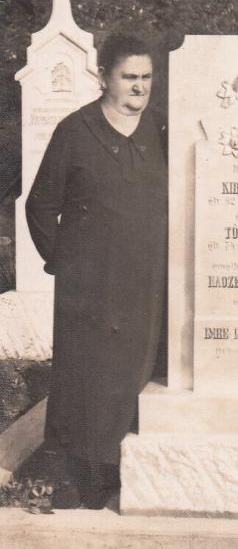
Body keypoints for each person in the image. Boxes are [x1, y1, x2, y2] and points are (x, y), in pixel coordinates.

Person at [26, 33, 167, 509]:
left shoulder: (161, 132)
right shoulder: (76, 130)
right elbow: (40, 206)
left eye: (146, 77)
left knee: (132, 377)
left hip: (145, 284)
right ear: (104, 76)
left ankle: (116, 475)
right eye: (129, 77)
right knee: (82, 378)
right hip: (88, 286)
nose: (139, 87)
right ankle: (71, 477)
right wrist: (65, 264)